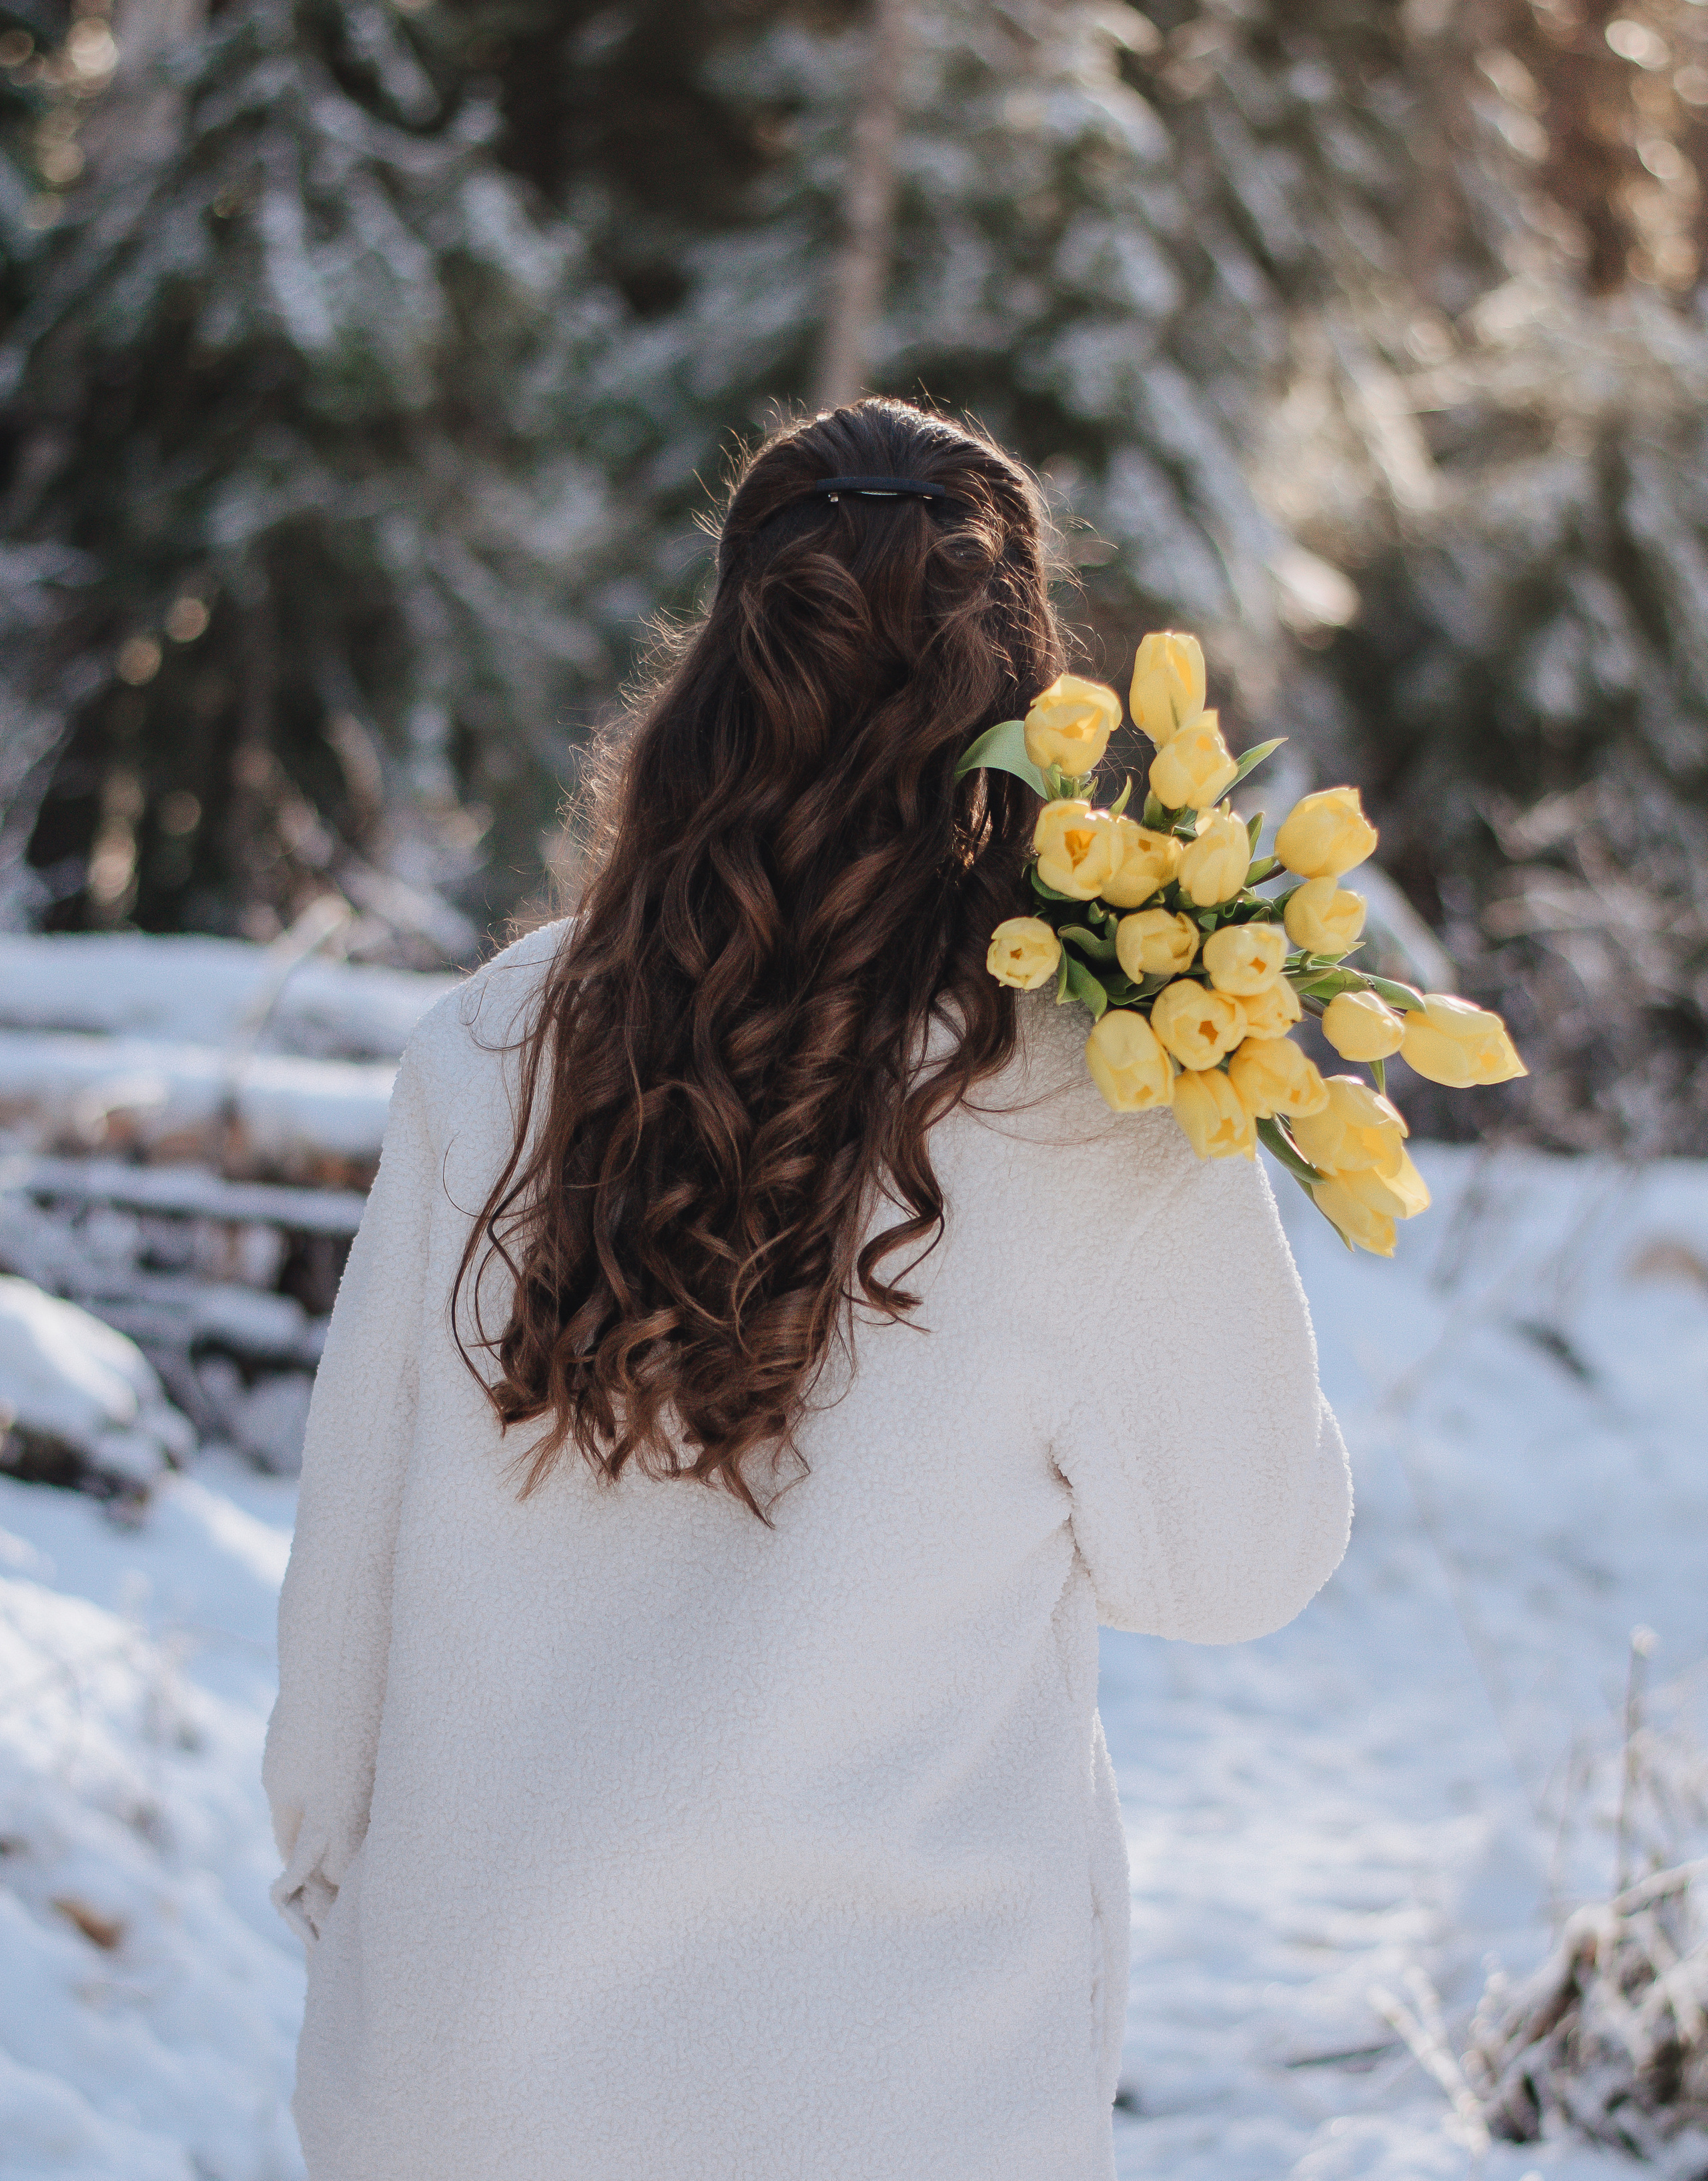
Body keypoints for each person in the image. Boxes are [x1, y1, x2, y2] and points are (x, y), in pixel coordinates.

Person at [264, 397, 1352, 2181]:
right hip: (896, 2101)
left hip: (463, 2084)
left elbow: (350, 1557)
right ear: (1031, 698)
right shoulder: (1104, 1096)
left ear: (721, 666)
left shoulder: (495, 1039)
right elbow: (1232, 1568)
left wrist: (360, 1928)